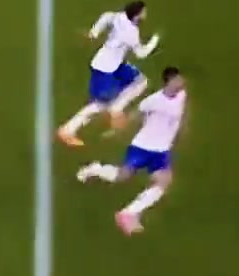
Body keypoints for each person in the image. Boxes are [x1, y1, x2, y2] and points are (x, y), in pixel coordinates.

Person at [76, 66, 187, 236]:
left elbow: (178, 116)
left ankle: (128, 213)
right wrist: (116, 130)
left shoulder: (181, 96)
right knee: (123, 175)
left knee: (163, 182)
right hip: (142, 146)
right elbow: (136, 114)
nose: (181, 82)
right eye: (177, 80)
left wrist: (176, 132)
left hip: (161, 150)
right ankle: (95, 169)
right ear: (168, 82)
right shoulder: (154, 101)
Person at [56, 1, 159, 146]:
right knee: (99, 105)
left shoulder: (120, 17)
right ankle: (67, 130)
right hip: (104, 69)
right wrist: (154, 41)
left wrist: (94, 32)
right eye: (143, 12)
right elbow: (141, 54)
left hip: (115, 64)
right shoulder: (131, 32)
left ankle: (116, 108)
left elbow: (106, 17)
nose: (145, 15)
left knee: (140, 81)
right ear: (137, 16)